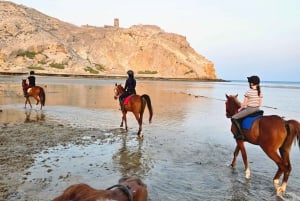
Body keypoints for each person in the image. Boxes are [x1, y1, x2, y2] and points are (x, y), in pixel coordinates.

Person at [231, 75, 263, 140]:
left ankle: (240, 134)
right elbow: (260, 104)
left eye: (249, 82)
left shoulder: (248, 92)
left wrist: (240, 108)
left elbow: (244, 104)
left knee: (234, 117)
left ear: (251, 83)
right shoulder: (260, 92)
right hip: (258, 110)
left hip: (250, 109)